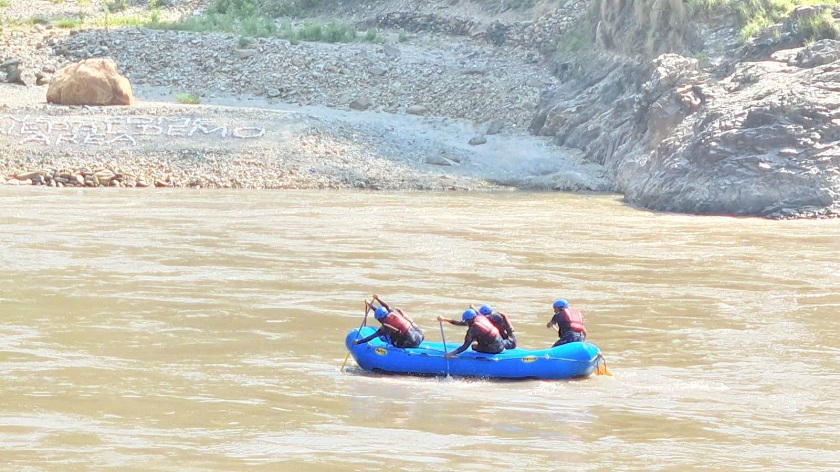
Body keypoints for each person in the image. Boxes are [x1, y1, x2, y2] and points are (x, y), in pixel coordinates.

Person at [353, 297, 424, 348]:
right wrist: (371, 302)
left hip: (412, 343)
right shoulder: (393, 312)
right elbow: (385, 308)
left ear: (380, 319)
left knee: (387, 336)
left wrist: (358, 342)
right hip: (420, 336)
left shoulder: (386, 327)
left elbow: (372, 336)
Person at [438, 309, 512, 358]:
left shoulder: (473, 329)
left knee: (474, 346)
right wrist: (444, 319)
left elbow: (465, 346)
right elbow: (460, 323)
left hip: (494, 348)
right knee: (478, 339)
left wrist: (451, 354)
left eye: (466, 321)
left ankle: (483, 359)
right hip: (501, 343)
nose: (465, 323)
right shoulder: (480, 318)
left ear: (469, 321)